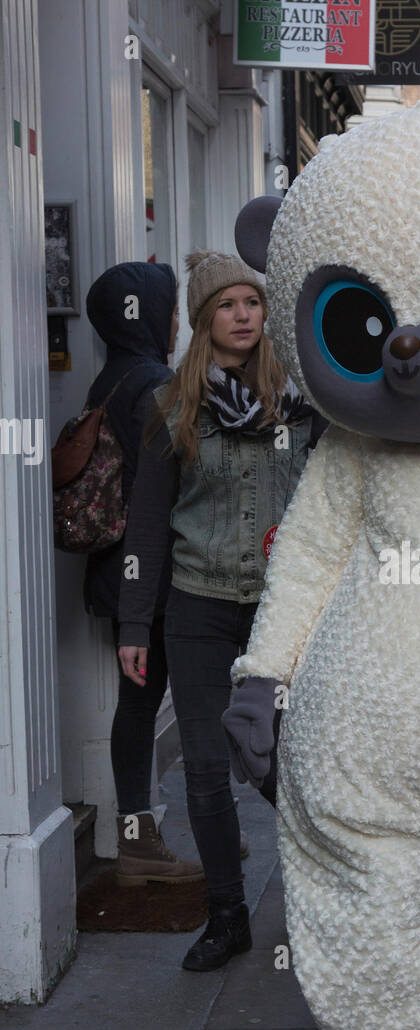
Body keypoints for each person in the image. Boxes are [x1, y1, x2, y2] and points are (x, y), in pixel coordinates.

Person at [117, 251, 315, 970]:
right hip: (197, 609)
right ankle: (227, 917)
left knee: (291, 767)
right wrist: (136, 623)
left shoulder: (301, 402)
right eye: (226, 305)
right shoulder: (171, 406)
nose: (241, 315)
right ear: (204, 320)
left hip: (280, 615)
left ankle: (330, 896)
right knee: (203, 768)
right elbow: (147, 522)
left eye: (251, 303)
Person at [83, 261, 202, 885]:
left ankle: (157, 837)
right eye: (171, 307)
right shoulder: (153, 381)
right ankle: (138, 844)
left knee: (141, 704)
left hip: (124, 570)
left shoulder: (110, 375)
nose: (177, 319)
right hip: (150, 575)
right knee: (150, 707)